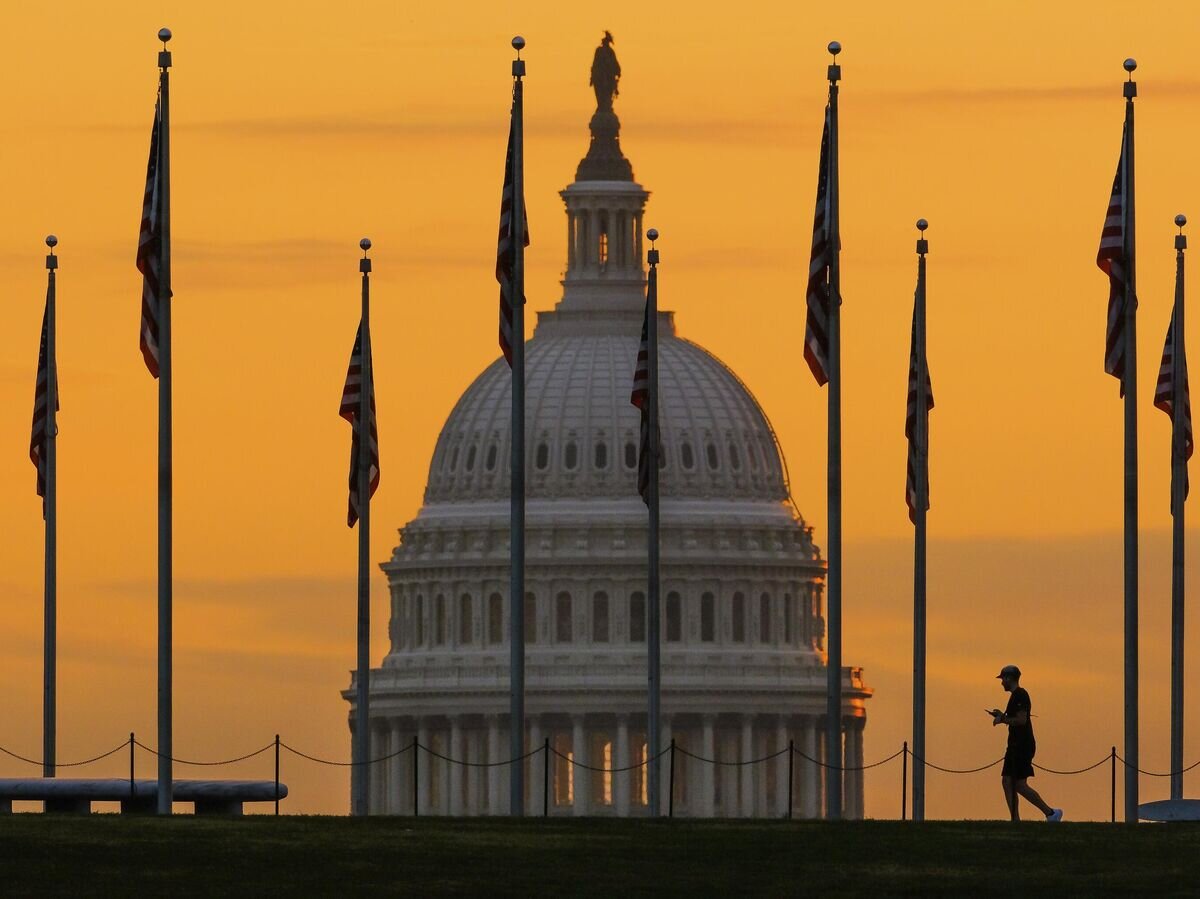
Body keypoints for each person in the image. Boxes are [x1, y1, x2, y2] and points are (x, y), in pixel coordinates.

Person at [989, 665, 1063, 822]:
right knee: (1008, 781)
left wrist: (1002, 719)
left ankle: (1051, 813)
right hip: (1016, 745)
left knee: (1019, 784)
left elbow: (1021, 720)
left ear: (1009, 678)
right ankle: (1016, 818)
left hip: (1021, 745)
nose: (1002, 682)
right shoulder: (1016, 696)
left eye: (1003, 679)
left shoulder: (1021, 695)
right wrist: (1002, 715)